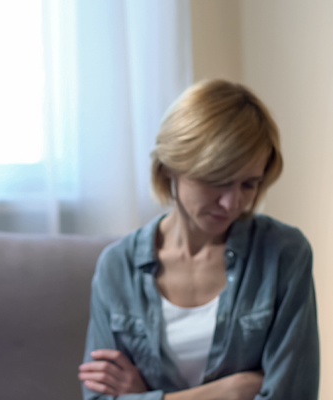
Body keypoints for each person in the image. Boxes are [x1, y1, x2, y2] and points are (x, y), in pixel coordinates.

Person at [78, 79, 319, 400]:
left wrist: (144, 396)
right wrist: (228, 392)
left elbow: (292, 395)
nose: (232, 203)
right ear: (168, 168)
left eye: (249, 184)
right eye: (217, 180)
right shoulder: (117, 266)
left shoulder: (284, 254)